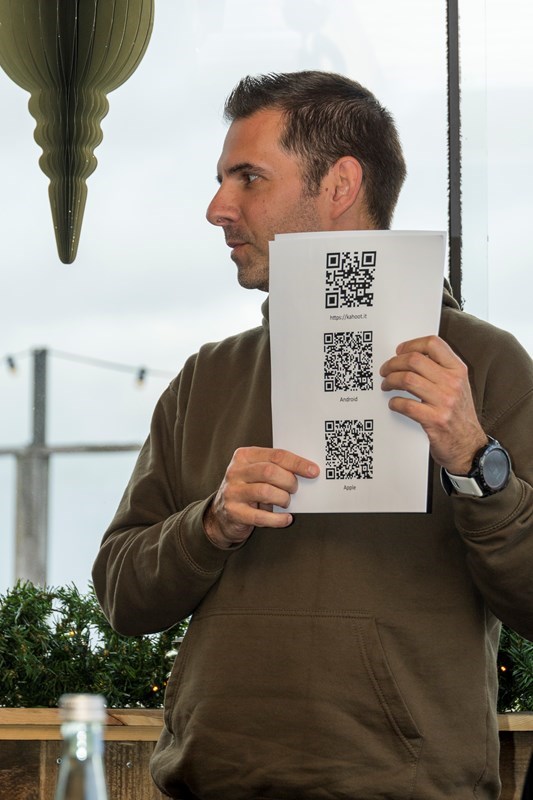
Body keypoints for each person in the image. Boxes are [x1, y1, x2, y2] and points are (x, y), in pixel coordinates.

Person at [92, 71, 533, 800]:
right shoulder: (207, 376)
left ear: (339, 185)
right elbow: (122, 596)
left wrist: (474, 462)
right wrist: (209, 525)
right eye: (220, 180)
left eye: (248, 178)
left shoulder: (483, 366)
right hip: (212, 784)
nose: (217, 208)